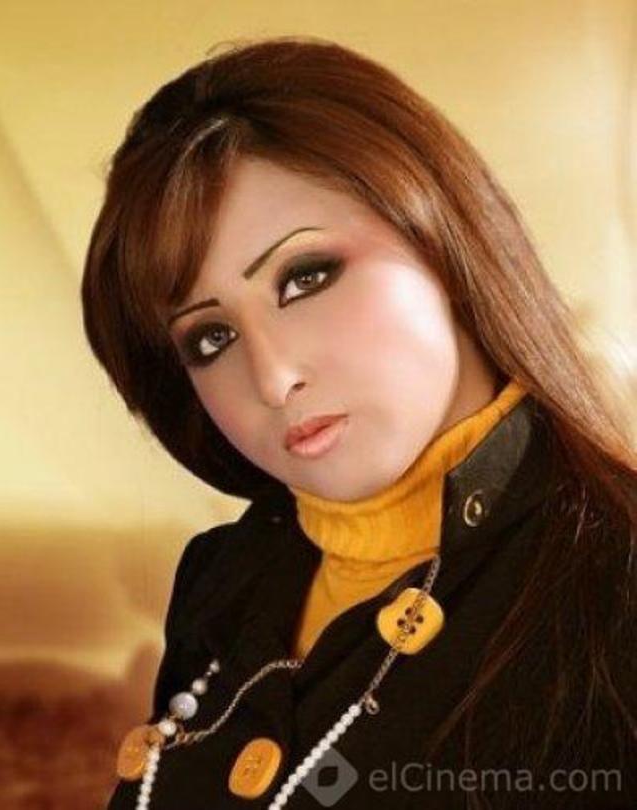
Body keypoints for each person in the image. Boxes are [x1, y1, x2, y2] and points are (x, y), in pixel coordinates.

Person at [80, 35, 637, 810]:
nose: (273, 379)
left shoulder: (615, 577)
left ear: (443, 240)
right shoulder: (223, 579)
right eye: (211, 338)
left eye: (305, 277)